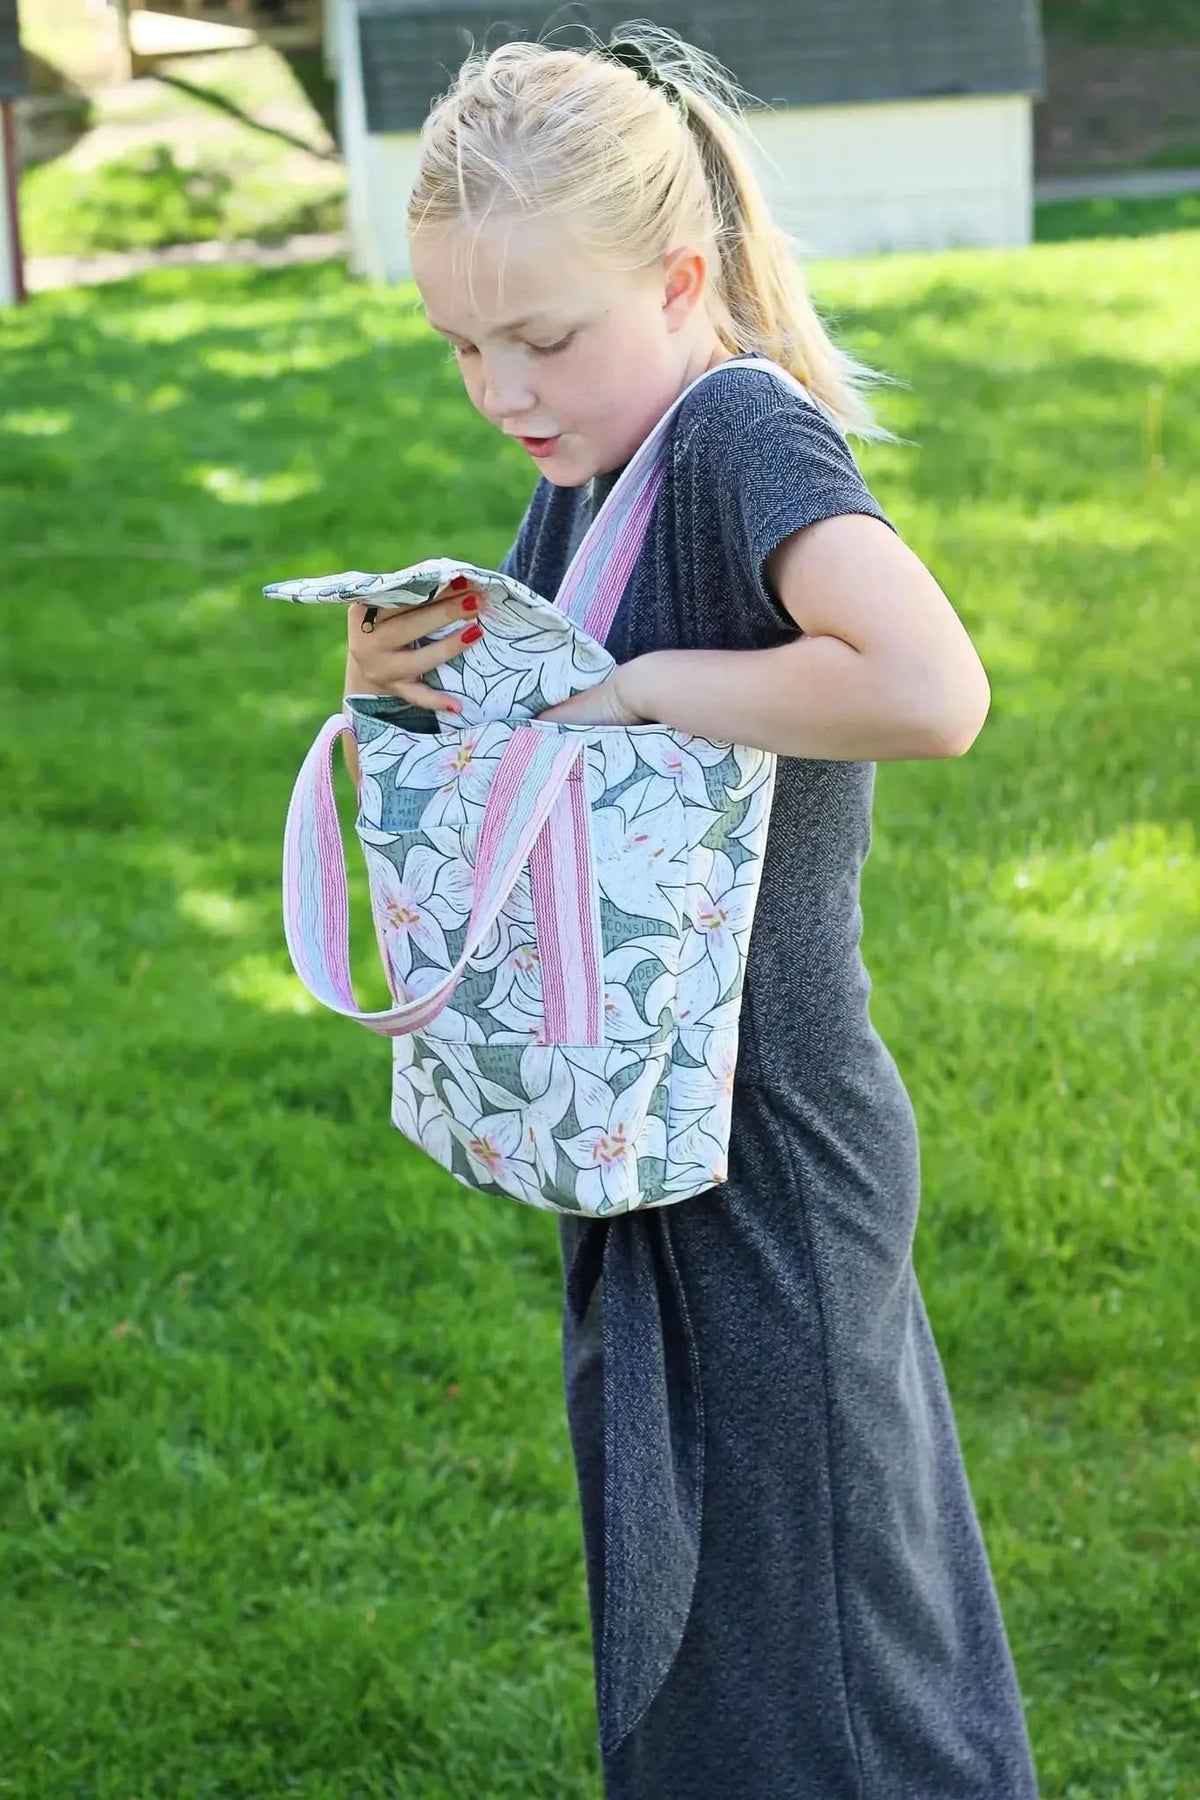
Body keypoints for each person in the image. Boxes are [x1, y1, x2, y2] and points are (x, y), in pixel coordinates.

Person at [341, 25, 1040, 1800]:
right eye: (462, 346)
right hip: (647, 1127)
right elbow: (548, 745)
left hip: (769, 1150)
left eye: (544, 336)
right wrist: (408, 681)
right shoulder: (591, 463)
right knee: (704, 1626)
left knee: (835, 1656)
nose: (503, 389)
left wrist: (657, 686)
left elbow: (930, 687)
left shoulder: (732, 430)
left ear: (676, 280)